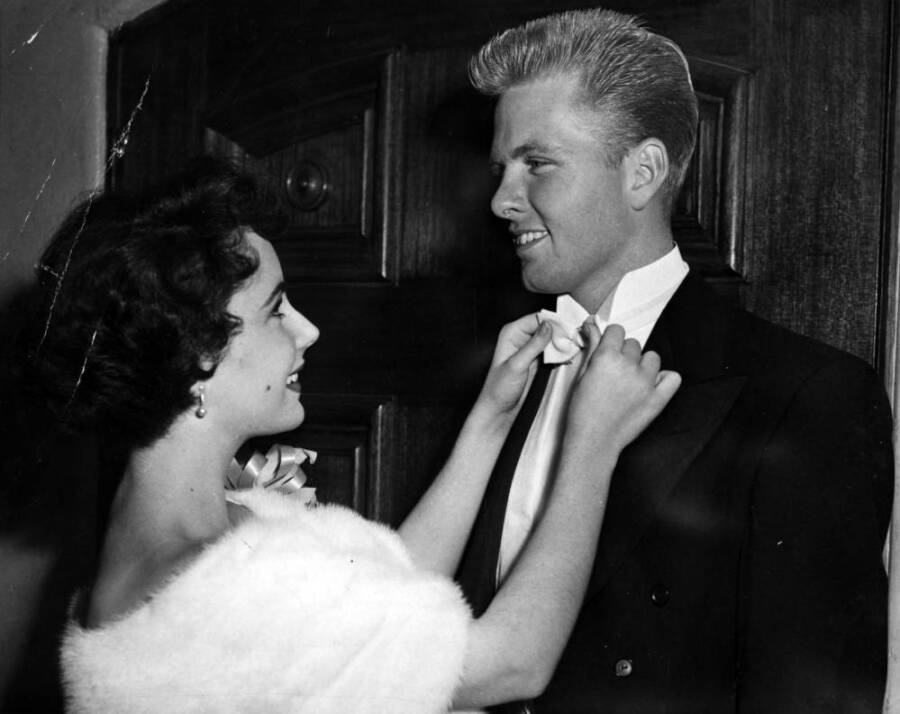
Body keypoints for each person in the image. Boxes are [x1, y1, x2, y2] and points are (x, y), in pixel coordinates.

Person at [18, 157, 679, 713]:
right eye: (277, 310)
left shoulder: (213, 528)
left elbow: (388, 582)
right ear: (199, 355)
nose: (307, 331)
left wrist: (491, 419)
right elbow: (509, 666)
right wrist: (590, 443)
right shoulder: (209, 585)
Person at [454, 7, 894, 713]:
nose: (504, 200)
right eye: (502, 167)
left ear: (643, 172)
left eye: (537, 164)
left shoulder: (808, 394)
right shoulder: (510, 370)